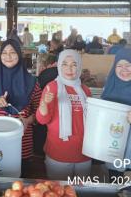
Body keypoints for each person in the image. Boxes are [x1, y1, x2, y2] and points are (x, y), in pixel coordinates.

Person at [0, 39, 41, 162]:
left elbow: (40, 113)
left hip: (22, 143)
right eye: (4, 53)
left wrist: (27, 120)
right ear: (0, 56)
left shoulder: (32, 82)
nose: (8, 56)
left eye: (12, 52)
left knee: (20, 178)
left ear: (19, 55)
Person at [36, 50, 92, 180]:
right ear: (59, 66)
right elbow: (42, 120)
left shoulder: (85, 90)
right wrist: (44, 105)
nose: (69, 69)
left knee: (81, 191)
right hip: (58, 153)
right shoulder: (52, 87)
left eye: (74, 64)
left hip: (84, 152)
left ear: (79, 67)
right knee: (59, 191)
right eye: (65, 64)